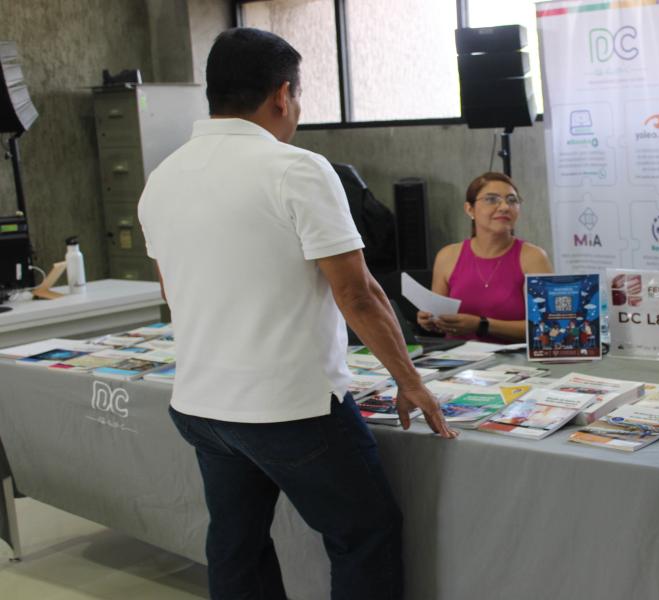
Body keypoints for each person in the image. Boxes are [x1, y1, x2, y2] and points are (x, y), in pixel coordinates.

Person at [137, 28, 456, 600]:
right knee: (366, 534)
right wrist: (411, 383)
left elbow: (173, 293)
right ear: (282, 95)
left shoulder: (162, 178)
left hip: (203, 405)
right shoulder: (298, 169)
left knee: (236, 545)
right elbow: (357, 295)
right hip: (292, 409)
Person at [416, 172, 553, 343]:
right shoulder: (447, 256)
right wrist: (430, 320)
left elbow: (546, 327)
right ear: (469, 209)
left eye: (512, 200)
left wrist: (482, 325)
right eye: (491, 199)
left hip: (516, 363)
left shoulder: (533, 257)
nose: (504, 207)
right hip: (458, 360)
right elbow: (438, 316)